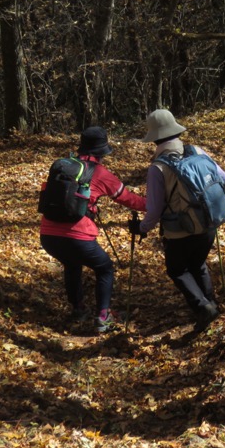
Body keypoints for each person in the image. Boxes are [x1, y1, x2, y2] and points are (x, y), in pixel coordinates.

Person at [132, 109, 225, 332]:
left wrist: (142, 228)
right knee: (198, 264)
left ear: (155, 137)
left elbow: (155, 209)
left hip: (179, 231)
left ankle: (203, 308)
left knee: (177, 269)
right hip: (208, 223)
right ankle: (211, 304)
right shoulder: (197, 151)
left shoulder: (158, 168)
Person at [40, 126, 147, 333]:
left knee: (71, 264)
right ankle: (102, 317)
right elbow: (128, 199)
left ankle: (78, 310)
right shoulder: (100, 173)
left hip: (48, 235)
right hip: (77, 236)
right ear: (101, 153)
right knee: (104, 268)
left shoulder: (62, 166)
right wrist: (152, 205)